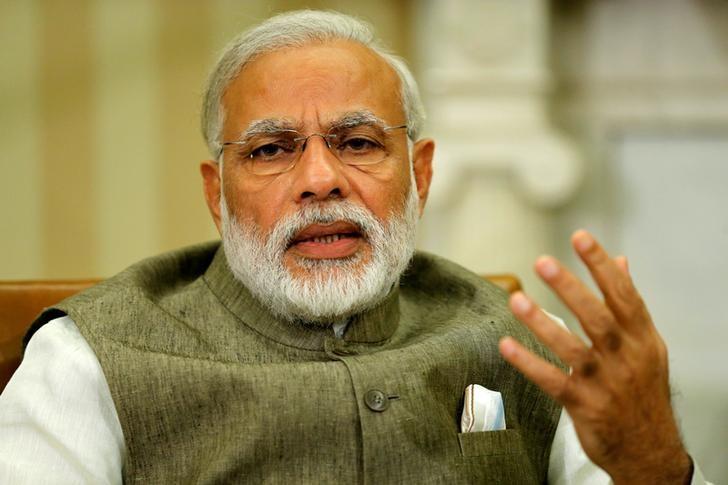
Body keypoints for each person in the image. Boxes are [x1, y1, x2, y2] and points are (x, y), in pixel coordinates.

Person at [0, 10, 712, 484]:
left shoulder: (516, 343)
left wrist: (655, 461)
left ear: (420, 175)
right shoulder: (88, 357)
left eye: (358, 142)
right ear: (218, 194)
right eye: (273, 148)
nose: (319, 180)